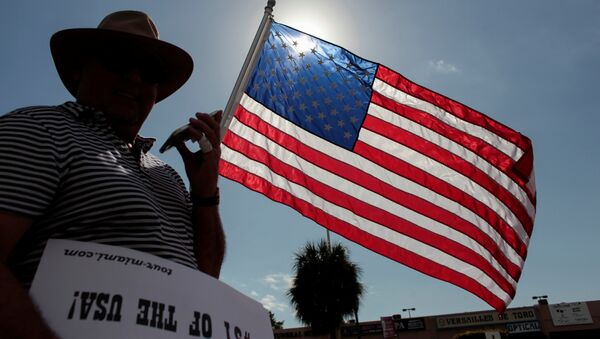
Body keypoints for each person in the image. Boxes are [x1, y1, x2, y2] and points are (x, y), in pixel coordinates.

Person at [0, 11, 225, 338]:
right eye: (118, 60)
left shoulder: (169, 175)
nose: (134, 78)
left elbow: (205, 281)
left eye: (148, 71)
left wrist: (205, 193)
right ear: (80, 71)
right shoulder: (39, 129)